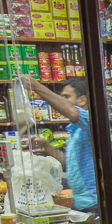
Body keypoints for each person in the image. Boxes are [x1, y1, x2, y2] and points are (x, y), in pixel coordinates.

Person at [18, 75, 97, 212]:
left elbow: (73, 112)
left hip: (94, 204)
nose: (62, 101)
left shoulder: (92, 120)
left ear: (82, 99)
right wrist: (46, 145)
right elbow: (68, 164)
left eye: (66, 97)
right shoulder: (75, 130)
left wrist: (36, 86)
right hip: (80, 203)